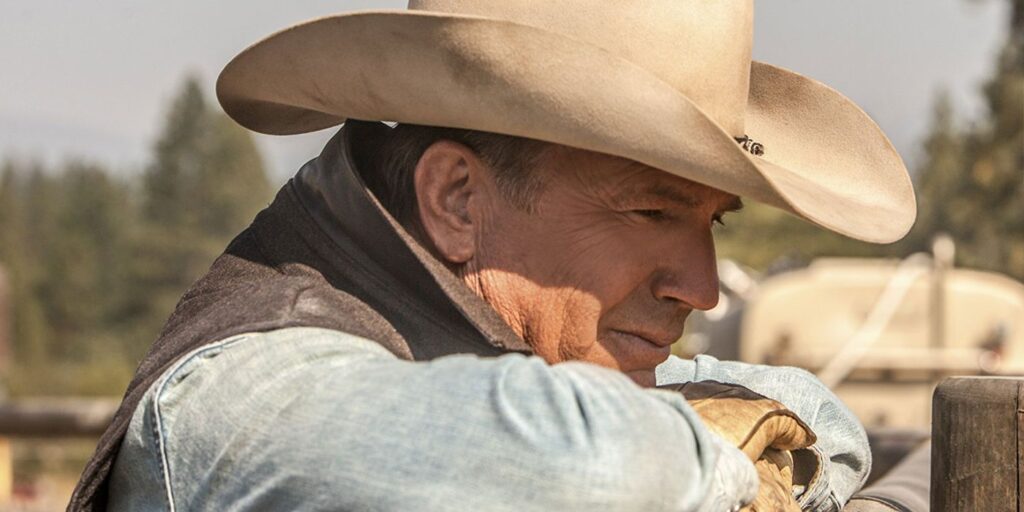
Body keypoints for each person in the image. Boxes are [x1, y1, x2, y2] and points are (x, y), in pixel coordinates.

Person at [69, 1, 917, 511]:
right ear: (457, 201)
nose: (702, 288)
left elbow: (811, 413)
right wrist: (743, 462)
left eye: (711, 224)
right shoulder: (240, 396)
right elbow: (592, 465)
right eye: (652, 209)